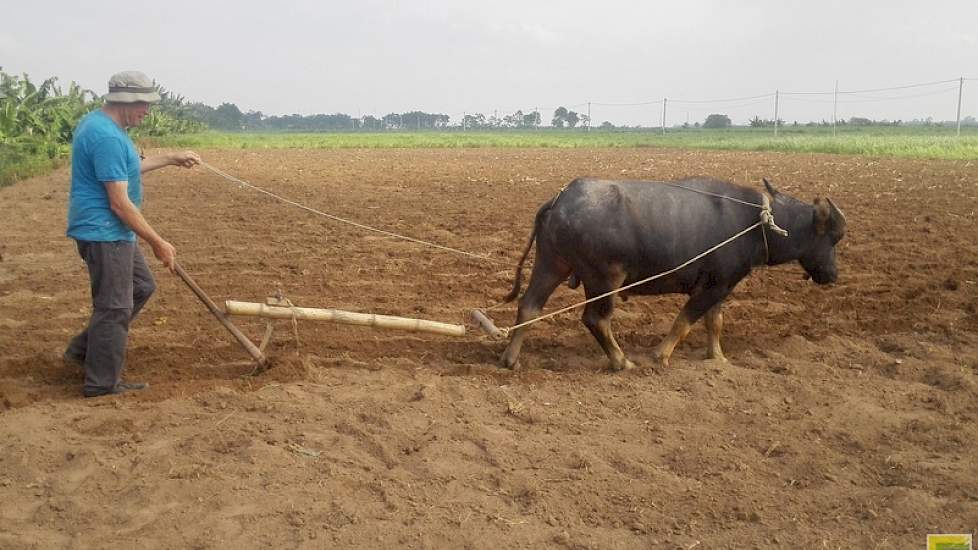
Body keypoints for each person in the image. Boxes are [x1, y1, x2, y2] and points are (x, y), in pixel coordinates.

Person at [63, 70, 201, 397]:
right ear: (127, 101)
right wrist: (158, 242)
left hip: (112, 231)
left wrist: (171, 158)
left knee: (141, 286)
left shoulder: (105, 126)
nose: (147, 111)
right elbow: (120, 204)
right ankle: (101, 384)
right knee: (114, 307)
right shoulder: (108, 137)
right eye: (144, 104)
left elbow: (125, 168)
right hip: (106, 232)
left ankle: (83, 350)